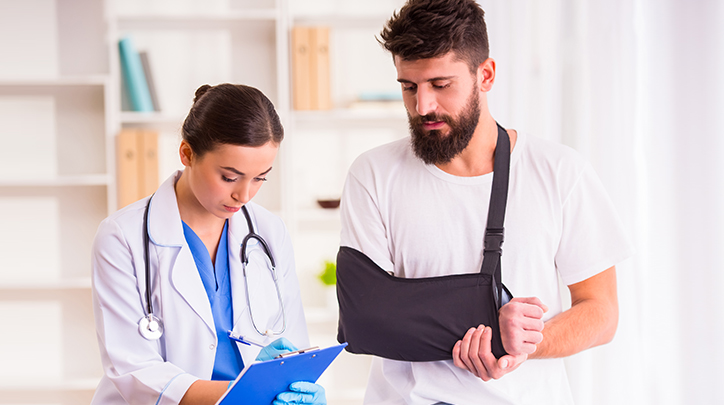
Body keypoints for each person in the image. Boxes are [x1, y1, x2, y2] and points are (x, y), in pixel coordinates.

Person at [337, 0, 634, 403]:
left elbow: (601, 312)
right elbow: (366, 320)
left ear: (486, 75)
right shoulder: (372, 174)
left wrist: (525, 342)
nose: (423, 106)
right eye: (409, 87)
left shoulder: (560, 171)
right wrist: (485, 326)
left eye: (441, 85)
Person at [91, 83, 326, 404]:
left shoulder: (269, 232)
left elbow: (291, 343)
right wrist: (241, 393)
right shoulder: (122, 236)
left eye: (259, 178)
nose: (243, 195)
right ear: (187, 154)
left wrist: (293, 385)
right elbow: (133, 369)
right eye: (230, 177)